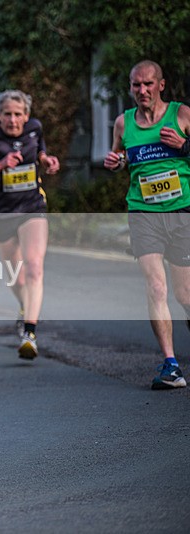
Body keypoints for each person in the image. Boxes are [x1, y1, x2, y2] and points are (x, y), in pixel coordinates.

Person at [103, 60, 190, 390]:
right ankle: (170, 364)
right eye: (136, 85)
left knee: (185, 294)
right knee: (156, 287)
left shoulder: (181, 116)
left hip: (182, 212)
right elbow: (120, 157)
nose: (142, 90)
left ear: (161, 85)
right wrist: (117, 162)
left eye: (148, 84)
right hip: (143, 214)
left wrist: (184, 146)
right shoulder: (123, 123)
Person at [0, 90, 60, 359]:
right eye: (7, 114)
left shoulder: (34, 128)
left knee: (34, 267)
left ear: (26, 116)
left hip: (32, 207)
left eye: (18, 114)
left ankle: (29, 332)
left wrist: (45, 160)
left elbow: (40, 149)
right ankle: (24, 305)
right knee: (15, 278)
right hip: (2, 212)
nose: (13, 120)